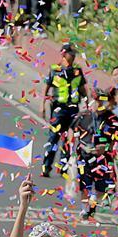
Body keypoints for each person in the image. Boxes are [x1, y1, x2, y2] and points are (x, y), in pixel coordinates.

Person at [41, 43, 87, 177]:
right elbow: (47, 87)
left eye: (73, 54)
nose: (72, 57)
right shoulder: (55, 69)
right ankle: (46, 166)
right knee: (53, 137)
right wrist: (42, 104)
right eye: (70, 54)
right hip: (58, 108)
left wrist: (88, 103)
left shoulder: (77, 71)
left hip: (73, 109)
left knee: (69, 139)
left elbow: (82, 88)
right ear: (63, 54)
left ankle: (63, 166)